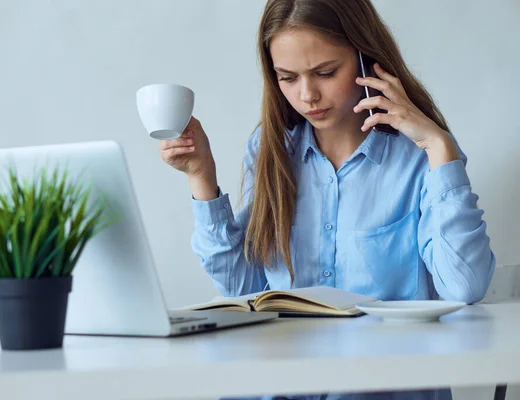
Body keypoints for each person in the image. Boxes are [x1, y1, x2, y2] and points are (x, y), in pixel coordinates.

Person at [158, 0, 496, 399]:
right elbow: (242, 288)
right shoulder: (271, 149)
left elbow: (464, 286)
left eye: (325, 72)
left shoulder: (421, 158)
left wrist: (438, 145)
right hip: (281, 385)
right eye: (287, 77)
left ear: (365, 59)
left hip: (380, 388)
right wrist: (202, 178)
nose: (307, 95)